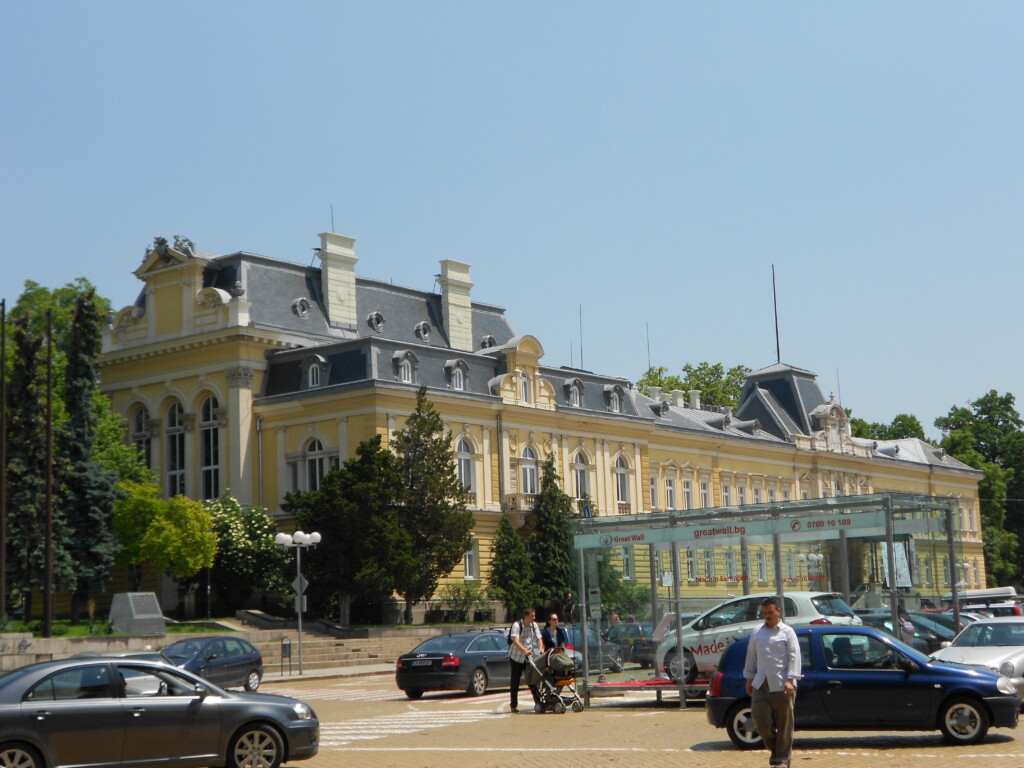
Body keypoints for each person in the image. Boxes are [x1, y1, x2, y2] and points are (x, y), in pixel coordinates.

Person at [743, 597, 801, 768]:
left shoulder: (787, 632)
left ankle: (783, 758)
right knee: (759, 718)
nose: (767, 616)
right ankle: (774, 748)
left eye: (770, 612)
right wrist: (749, 678)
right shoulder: (757, 632)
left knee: (784, 722)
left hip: (782, 682)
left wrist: (791, 679)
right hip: (761, 681)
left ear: (778, 612)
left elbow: (794, 656)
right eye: (765, 613)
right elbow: (751, 656)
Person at [508, 607, 543, 713]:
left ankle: (538, 703)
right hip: (516, 657)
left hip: (528, 658)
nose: (534, 618)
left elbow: (539, 638)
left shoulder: (534, 625)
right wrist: (525, 651)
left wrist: (541, 648)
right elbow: (515, 641)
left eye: (534, 616)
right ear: (526, 616)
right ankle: (513, 706)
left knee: (532, 680)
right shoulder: (516, 625)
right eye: (532, 616)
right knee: (515, 682)